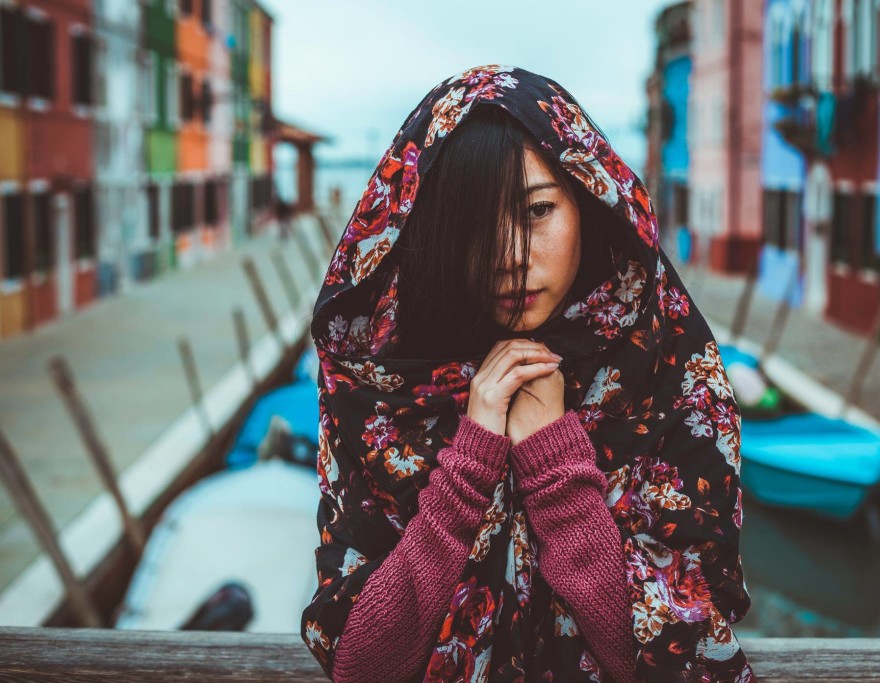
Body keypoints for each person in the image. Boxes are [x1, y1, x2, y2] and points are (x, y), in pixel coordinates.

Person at [301, 65, 755, 683]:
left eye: (538, 210)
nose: (511, 256)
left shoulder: (668, 371)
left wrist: (555, 466)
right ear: (433, 236)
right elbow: (359, 667)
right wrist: (468, 466)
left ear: (587, 203)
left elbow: (689, 663)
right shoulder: (380, 390)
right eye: (472, 227)